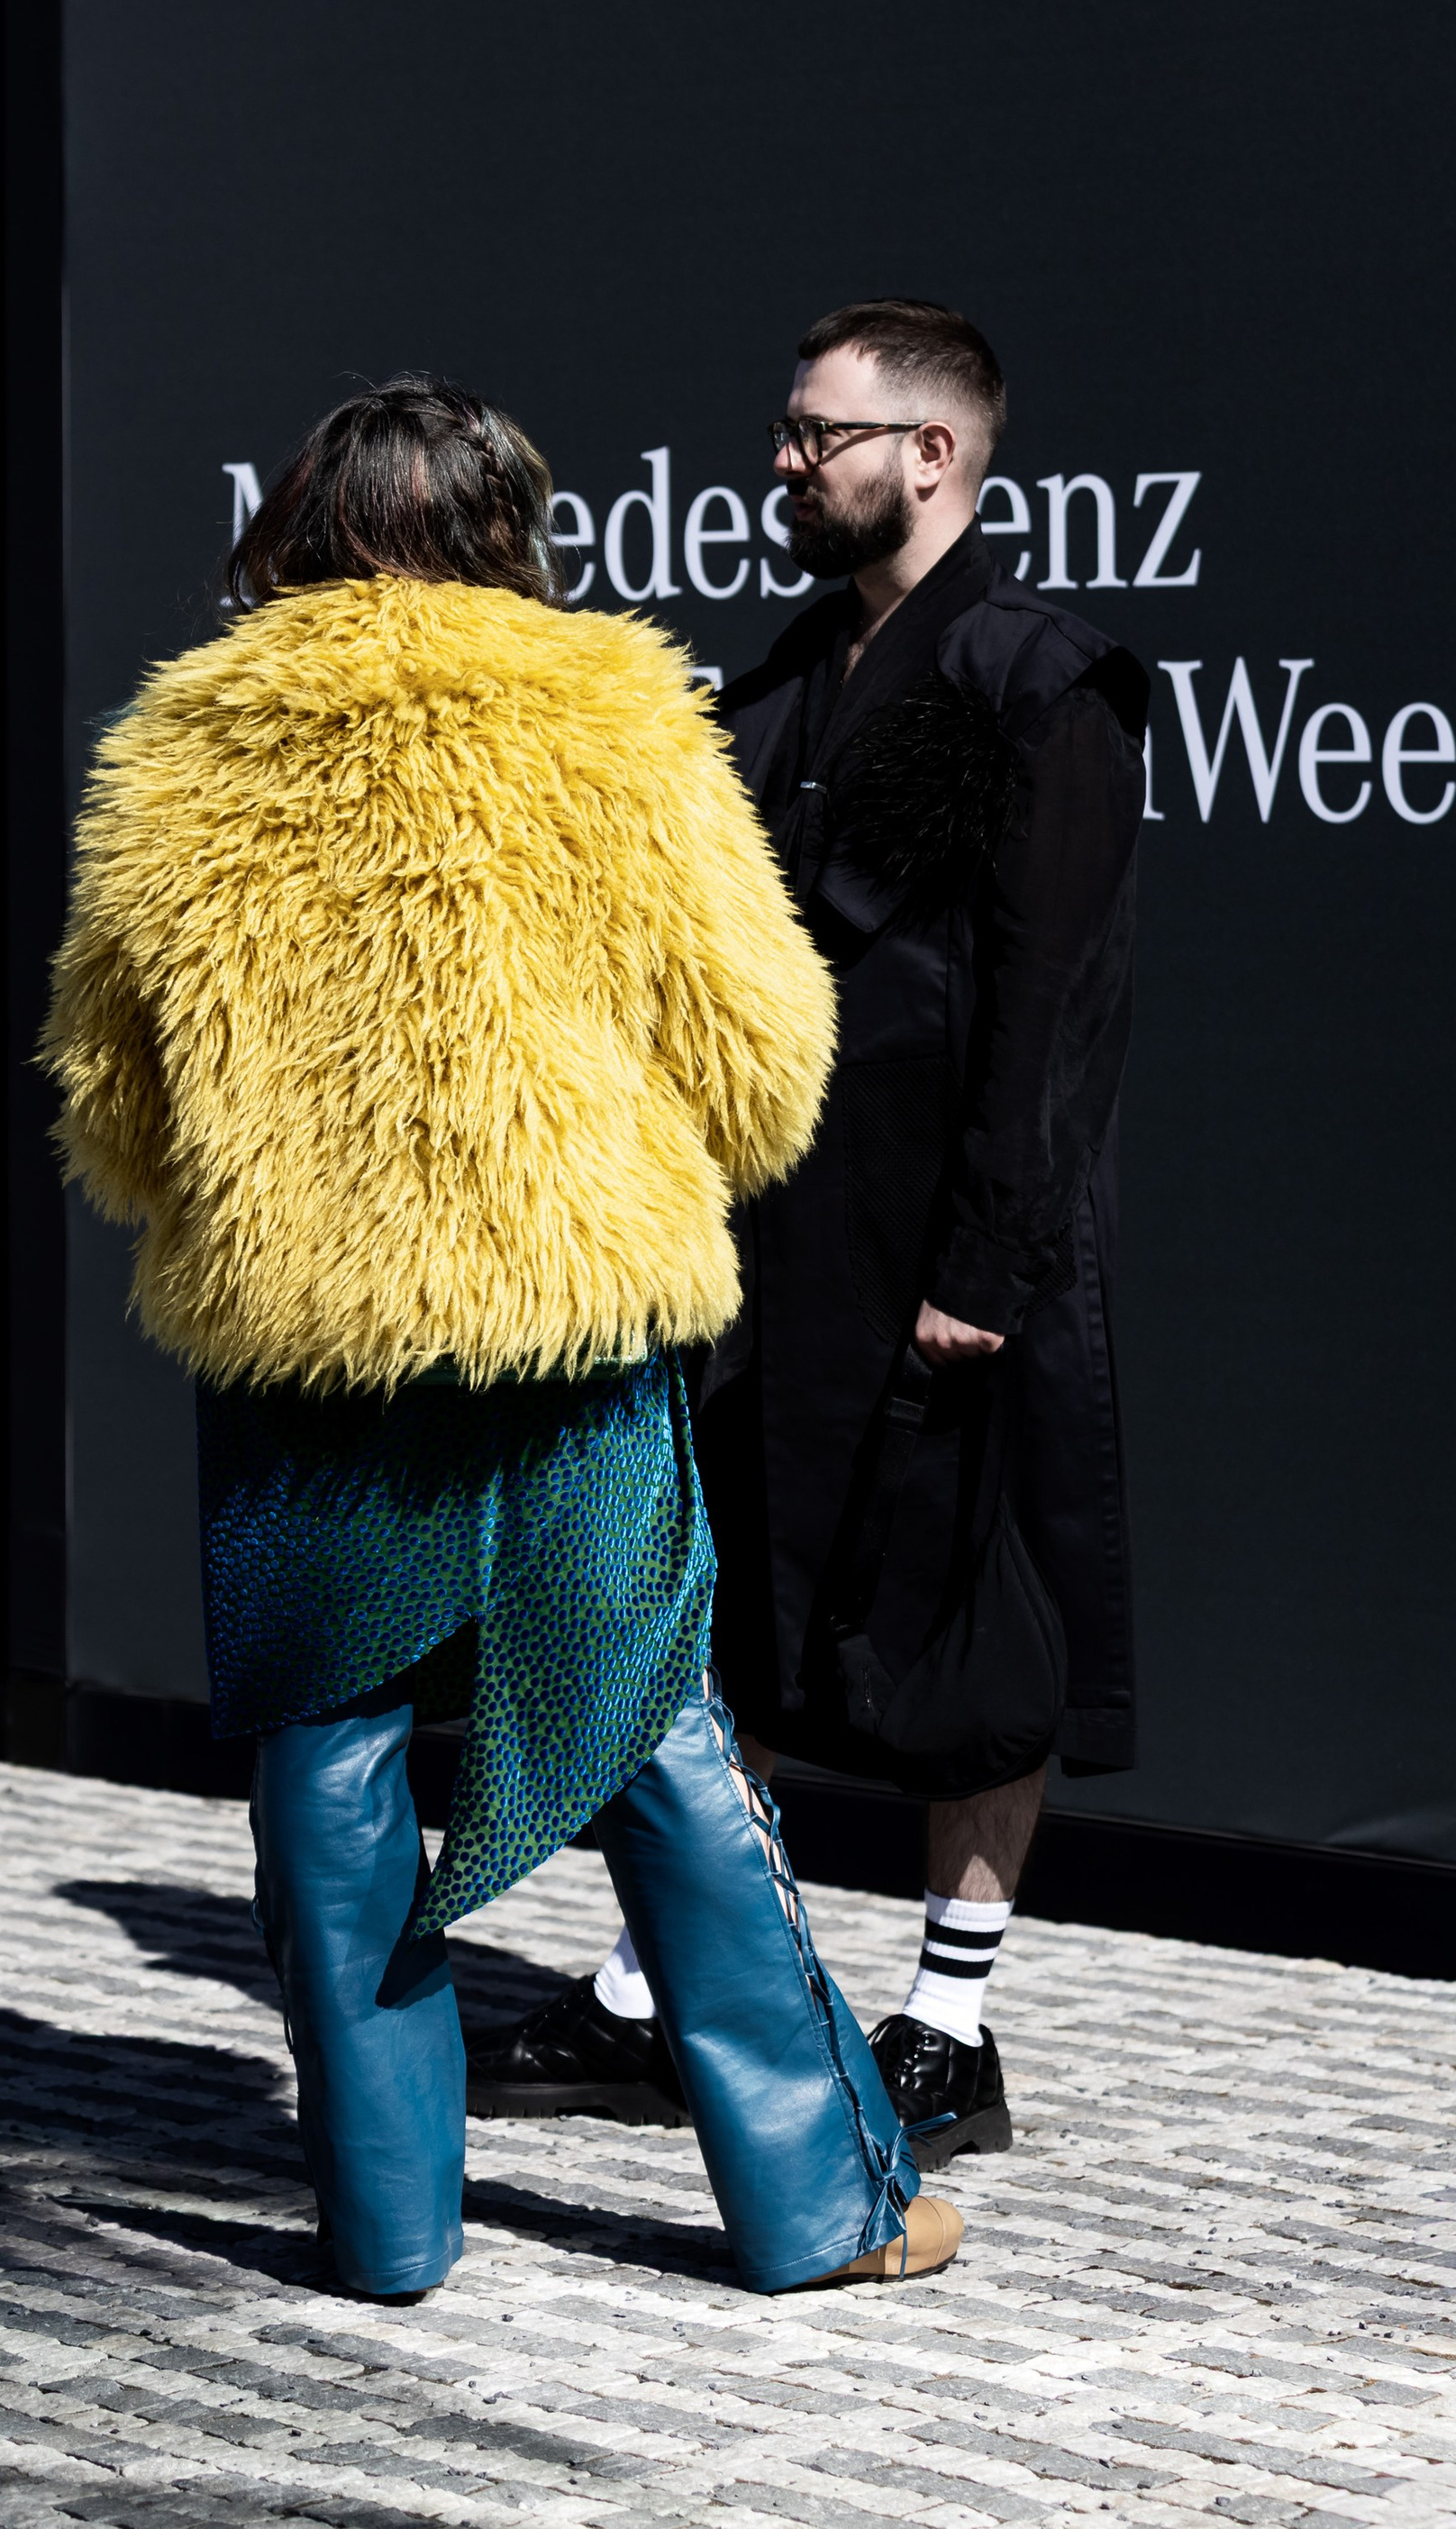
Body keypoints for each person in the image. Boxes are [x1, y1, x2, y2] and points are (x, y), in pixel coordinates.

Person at [40, 374, 960, 2302]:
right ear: (509, 528)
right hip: (572, 1327)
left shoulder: (184, 750)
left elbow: (111, 1106)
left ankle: (384, 2228)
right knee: (653, 1736)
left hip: (304, 1357)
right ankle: (818, 2212)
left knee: (331, 1754)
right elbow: (768, 1058)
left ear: (295, 523)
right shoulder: (614, 719)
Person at [471, 302, 1147, 2170]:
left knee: (972, 1633)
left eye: (813, 433)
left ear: (926, 456)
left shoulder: (1042, 683)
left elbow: (1053, 1014)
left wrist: (985, 1273)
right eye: (781, 432)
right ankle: (660, 1991)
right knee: (732, 1621)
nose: (779, 462)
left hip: (953, 1260)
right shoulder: (776, 685)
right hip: (771, 1249)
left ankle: (950, 2024)